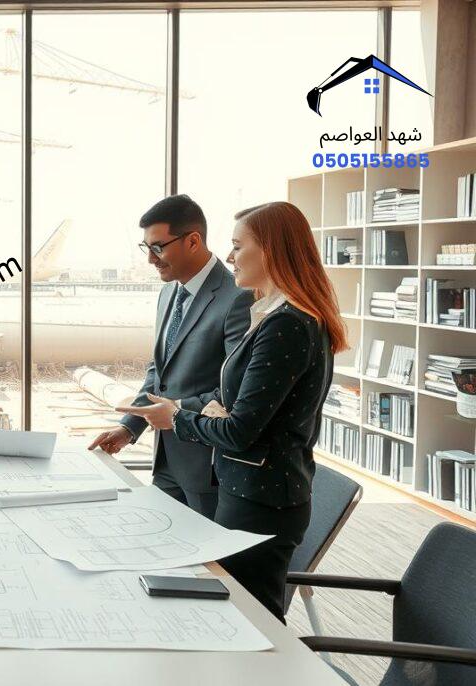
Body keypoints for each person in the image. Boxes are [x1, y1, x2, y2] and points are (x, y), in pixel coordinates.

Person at [118, 201, 345, 620]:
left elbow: (241, 428)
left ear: (272, 251)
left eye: (239, 246)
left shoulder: (287, 324)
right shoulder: (274, 315)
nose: (231, 256)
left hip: (259, 498)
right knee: (232, 616)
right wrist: (211, 412)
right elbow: (242, 406)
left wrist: (178, 418)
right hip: (245, 488)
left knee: (250, 626)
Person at [89, 194, 251, 518]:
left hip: (208, 468)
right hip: (165, 460)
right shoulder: (168, 293)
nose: (151, 259)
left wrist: (174, 412)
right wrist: (129, 427)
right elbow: (158, 373)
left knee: (210, 565)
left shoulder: (237, 297)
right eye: (145, 248)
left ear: (193, 241)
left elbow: (234, 391)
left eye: (158, 247)